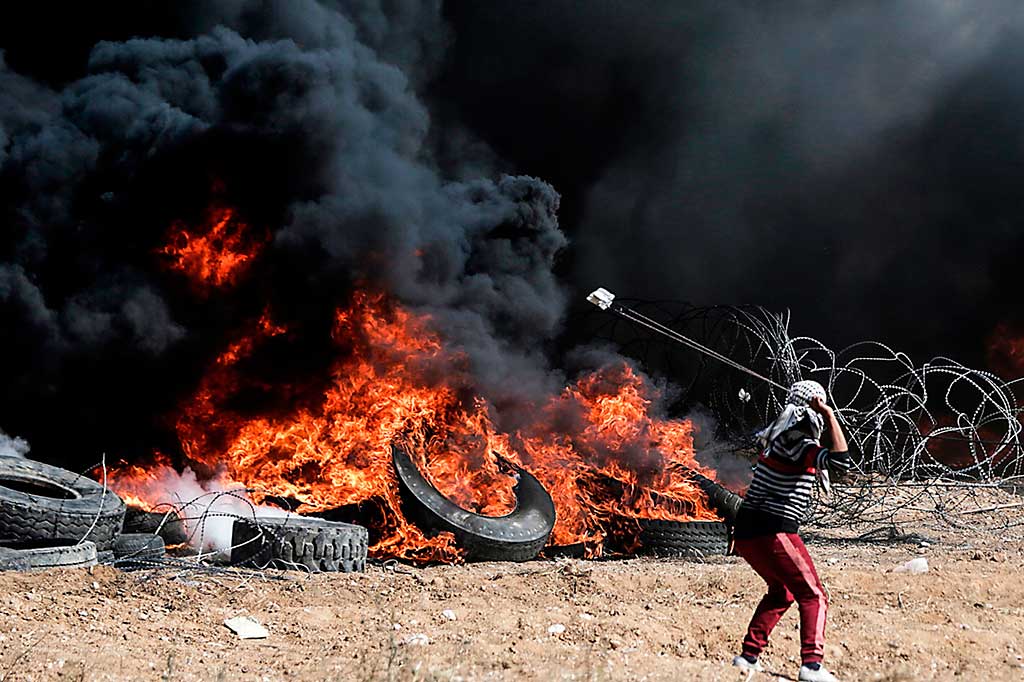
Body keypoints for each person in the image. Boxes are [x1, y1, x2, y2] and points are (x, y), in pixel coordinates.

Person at [730, 380, 852, 682]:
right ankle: (812, 666)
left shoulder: (778, 437)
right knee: (814, 595)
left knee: (781, 592)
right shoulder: (800, 444)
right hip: (773, 530)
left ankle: (748, 657)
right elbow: (841, 462)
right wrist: (829, 414)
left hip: (746, 532)